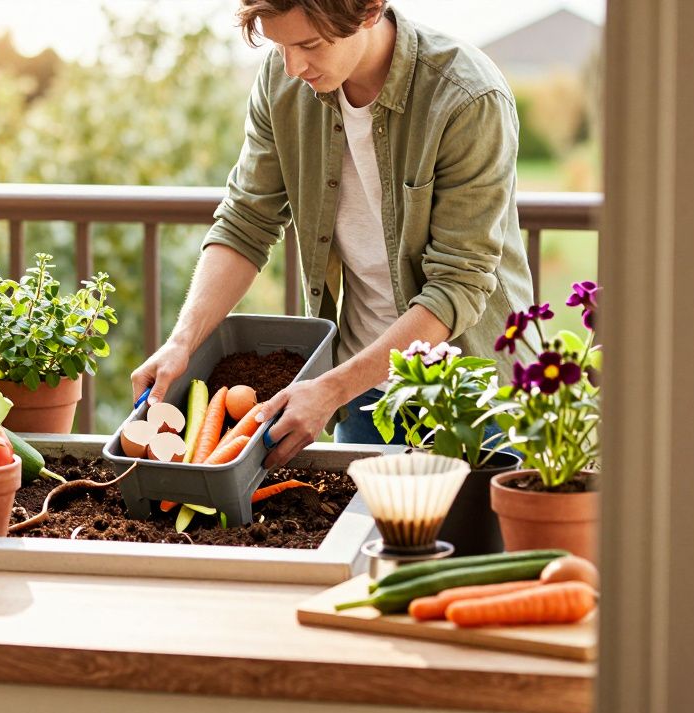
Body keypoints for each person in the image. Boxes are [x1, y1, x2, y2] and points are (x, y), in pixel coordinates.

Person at [130, 0, 533, 468]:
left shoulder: (467, 97)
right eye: (279, 46)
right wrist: (182, 341)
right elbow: (245, 223)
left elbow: (456, 285)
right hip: (366, 396)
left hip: (475, 395)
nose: (293, 67)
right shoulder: (282, 82)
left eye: (310, 44)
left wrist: (332, 388)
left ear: (369, 11)